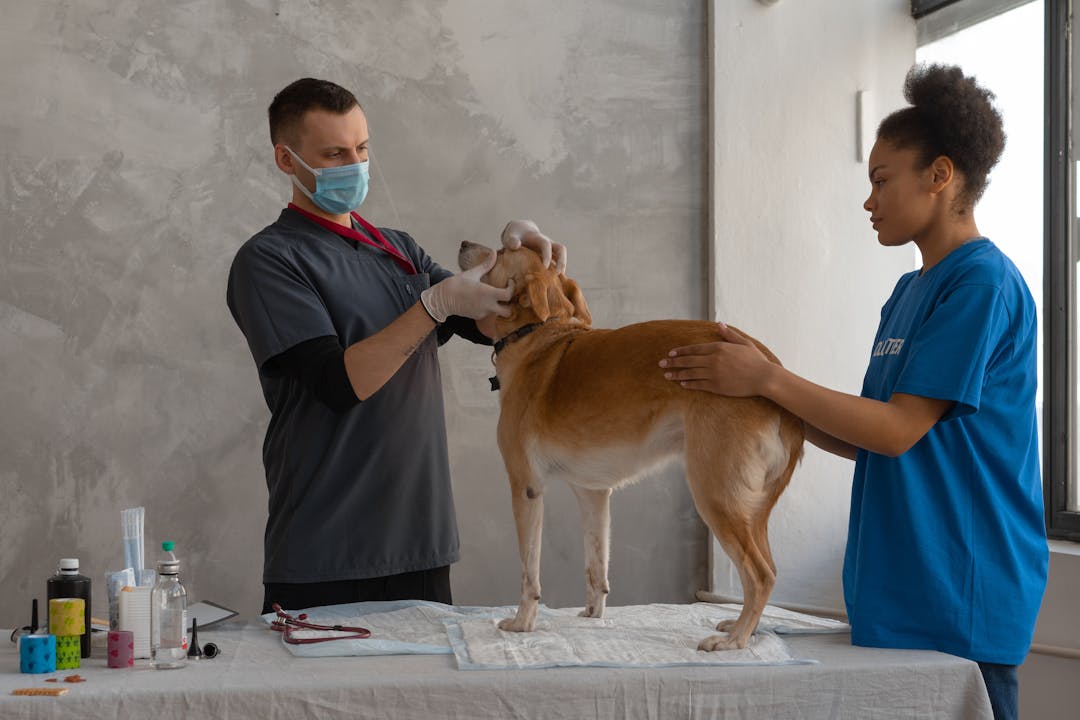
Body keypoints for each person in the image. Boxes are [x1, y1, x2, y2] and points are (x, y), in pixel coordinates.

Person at [658, 64, 1047, 720]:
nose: (869, 201)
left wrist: (771, 379)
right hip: (897, 590)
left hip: (962, 590)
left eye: (880, 180)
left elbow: (898, 429)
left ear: (940, 176)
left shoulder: (980, 284)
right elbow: (869, 436)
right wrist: (761, 395)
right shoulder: (907, 292)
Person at [226, 78, 564, 615]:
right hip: (327, 554)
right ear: (286, 160)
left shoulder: (396, 249)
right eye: (334, 153)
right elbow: (339, 384)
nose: (354, 164)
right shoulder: (270, 260)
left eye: (361, 149)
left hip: (420, 545)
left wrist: (517, 259)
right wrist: (432, 306)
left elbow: (489, 321)